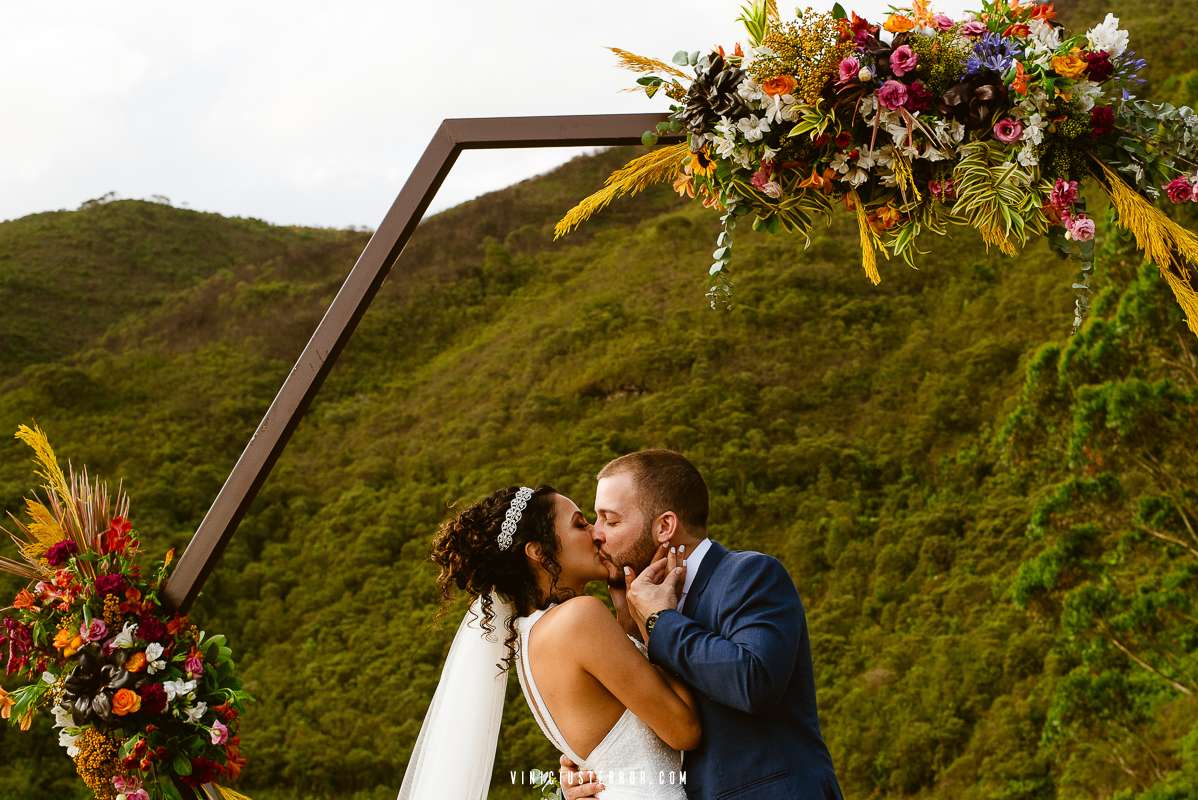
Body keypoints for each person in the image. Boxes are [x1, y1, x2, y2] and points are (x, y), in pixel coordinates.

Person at [560, 450, 843, 800]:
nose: (597, 534)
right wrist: (587, 782)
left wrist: (660, 620)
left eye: (611, 521)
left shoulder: (750, 574)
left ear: (665, 526)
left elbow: (754, 681)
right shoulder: (620, 622)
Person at [396, 484, 699, 799]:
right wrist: (657, 619)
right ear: (539, 552)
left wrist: (627, 620)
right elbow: (685, 731)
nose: (597, 533)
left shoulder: (528, 639)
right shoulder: (579, 618)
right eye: (580, 524)